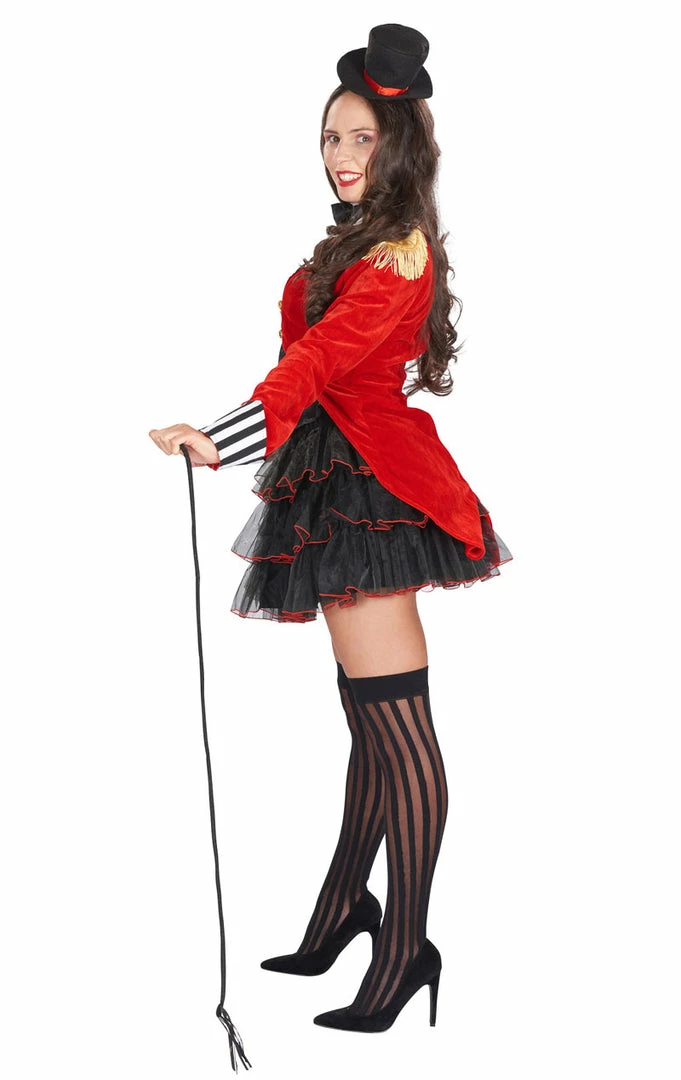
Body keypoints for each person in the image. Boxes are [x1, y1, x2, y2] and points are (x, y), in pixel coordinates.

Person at [149, 23, 513, 1034]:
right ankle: (344, 907)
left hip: (373, 488)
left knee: (400, 728)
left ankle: (405, 950)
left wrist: (219, 437)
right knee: (367, 721)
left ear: (399, 148)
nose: (342, 155)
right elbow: (306, 371)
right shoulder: (349, 245)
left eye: (362, 138)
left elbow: (315, 366)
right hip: (334, 474)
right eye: (331, 137)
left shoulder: (398, 252)